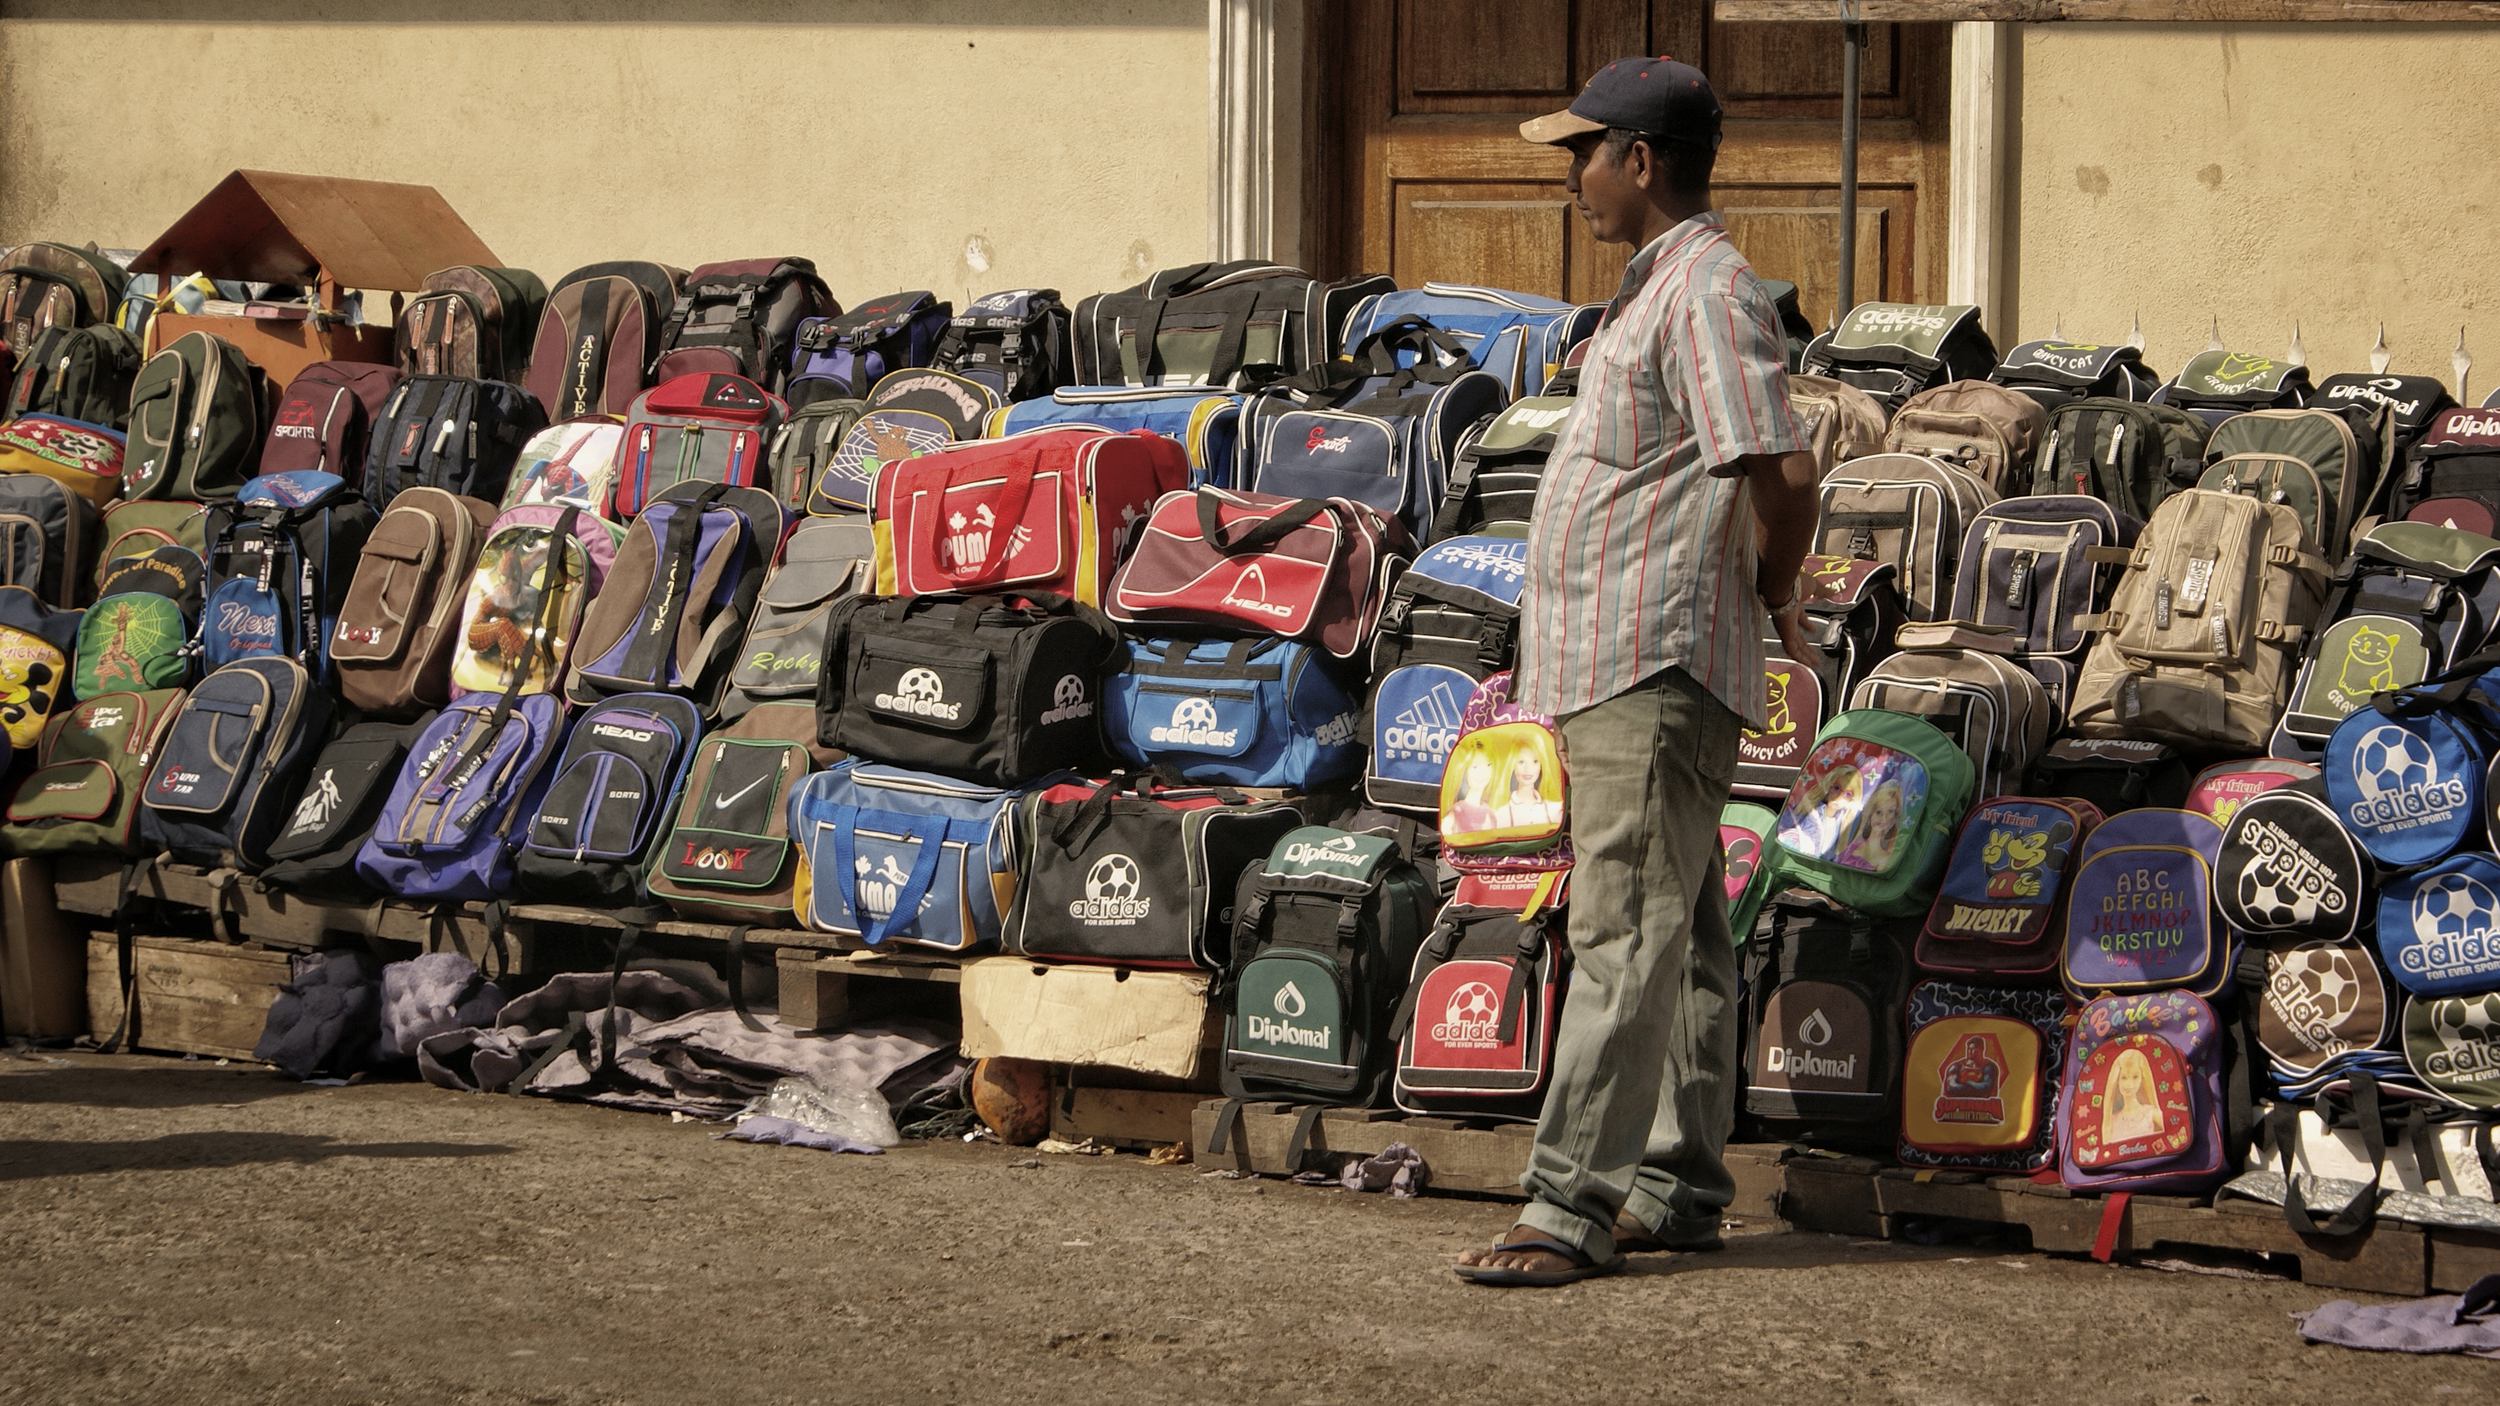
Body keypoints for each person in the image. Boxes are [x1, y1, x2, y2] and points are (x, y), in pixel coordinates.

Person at [1455, 56, 1822, 1287]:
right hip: (1621, 655)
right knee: (1685, 924)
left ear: (1640, 161)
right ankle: (1676, 1183)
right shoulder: (1658, 288)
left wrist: (1776, 597)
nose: (1572, 181)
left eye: (1583, 155)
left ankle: (1568, 1205)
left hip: (1652, 657)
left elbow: (1782, 470)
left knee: (1624, 923)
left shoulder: (1707, 293)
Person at [1494, 749, 1563, 831]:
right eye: (1521, 762)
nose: (1528, 769)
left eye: (1535, 761)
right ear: (1513, 765)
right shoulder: (1501, 814)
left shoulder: (1555, 809)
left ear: (1541, 766)